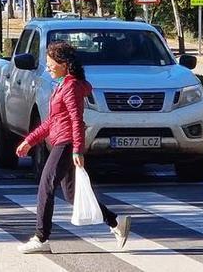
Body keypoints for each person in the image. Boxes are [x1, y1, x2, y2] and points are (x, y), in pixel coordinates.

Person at [16, 41, 131, 254]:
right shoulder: (62, 85)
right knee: (71, 194)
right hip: (63, 141)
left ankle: (41, 238)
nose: (48, 67)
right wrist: (29, 140)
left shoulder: (70, 87)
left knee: (45, 187)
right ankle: (116, 222)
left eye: (51, 64)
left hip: (67, 143)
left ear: (65, 65)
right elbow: (52, 121)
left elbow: (77, 120)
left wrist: (78, 149)